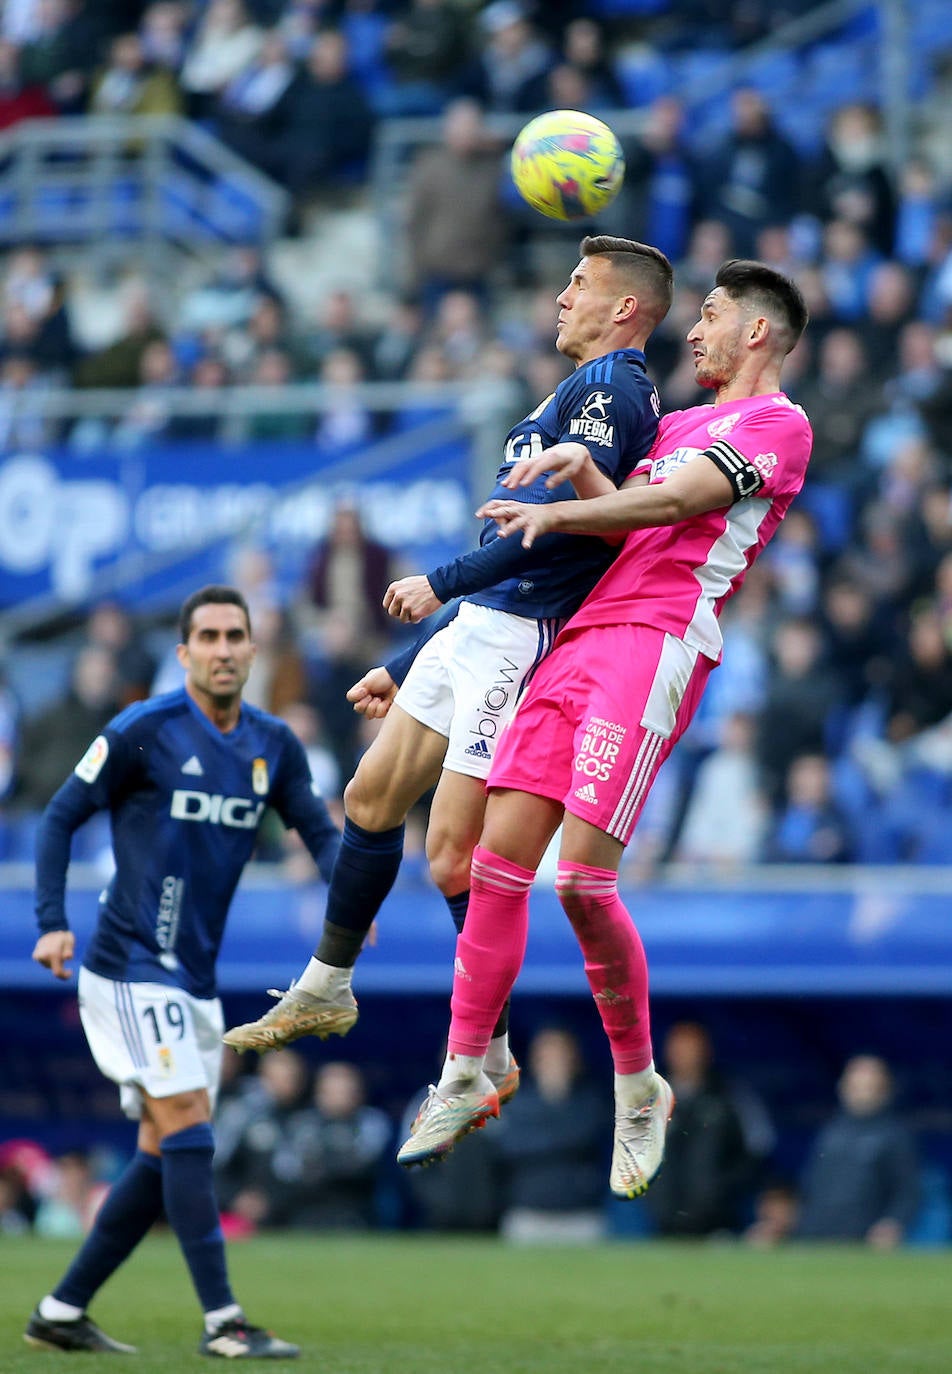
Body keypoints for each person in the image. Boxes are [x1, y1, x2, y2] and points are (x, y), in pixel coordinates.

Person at [393, 259, 812, 1203]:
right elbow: (638, 511)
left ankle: (636, 1084)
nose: (692, 332)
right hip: (580, 640)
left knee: (581, 881)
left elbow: (671, 506)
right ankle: (466, 1068)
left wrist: (570, 507)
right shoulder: (670, 426)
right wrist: (584, 467)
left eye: (709, 316)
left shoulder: (778, 426)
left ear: (757, 331)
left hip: (654, 645)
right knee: (497, 863)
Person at [223, 237, 674, 1091]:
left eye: (580, 285)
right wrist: (414, 654)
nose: (560, 296)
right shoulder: (572, 388)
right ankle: (328, 985)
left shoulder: (613, 391)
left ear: (624, 309)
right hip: (480, 627)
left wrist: (439, 585)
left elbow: (550, 528)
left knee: (453, 857)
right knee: (369, 797)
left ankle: (489, 1055)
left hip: (524, 631)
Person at [25, 584, 340, 1358]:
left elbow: (320, 833)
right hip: (129, 965)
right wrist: (50, 923)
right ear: (184, 652)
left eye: (236, 635)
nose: (224, 648)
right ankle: (224, 1324)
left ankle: (62, 1311)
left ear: (252, 649)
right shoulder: (144, 729)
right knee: (189, 1125)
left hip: (193, 977)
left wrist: (354, 905)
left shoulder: (273, 744)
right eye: (209, 636)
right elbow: (60, 813)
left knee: (163, 1150)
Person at [796, 1055, 921, 1246]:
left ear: (884, 1090)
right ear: (842, 1088)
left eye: (869, 1087)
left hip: (863, 1237)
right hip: (815, 1234)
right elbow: (811, 1184)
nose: (861, 1094)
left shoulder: (895, 1136)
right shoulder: (830, 1132)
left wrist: (892, 1223)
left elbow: (907, 1190)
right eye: (855, 1087)